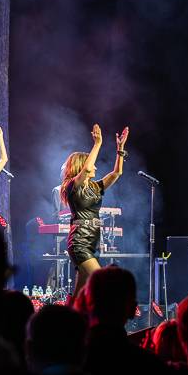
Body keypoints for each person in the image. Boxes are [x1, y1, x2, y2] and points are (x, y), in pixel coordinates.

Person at [59, 123, 129, 297]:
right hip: (80, 242)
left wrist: (120, 149)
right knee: (103, 283)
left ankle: (68, 320)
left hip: (92, 241)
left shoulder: (96, 187)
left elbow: (117, 172)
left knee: (79, 294)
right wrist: (97, 144)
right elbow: (89, 168)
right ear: (81, 166)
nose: (95, 168)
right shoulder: (71, 186)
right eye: (91, 165)